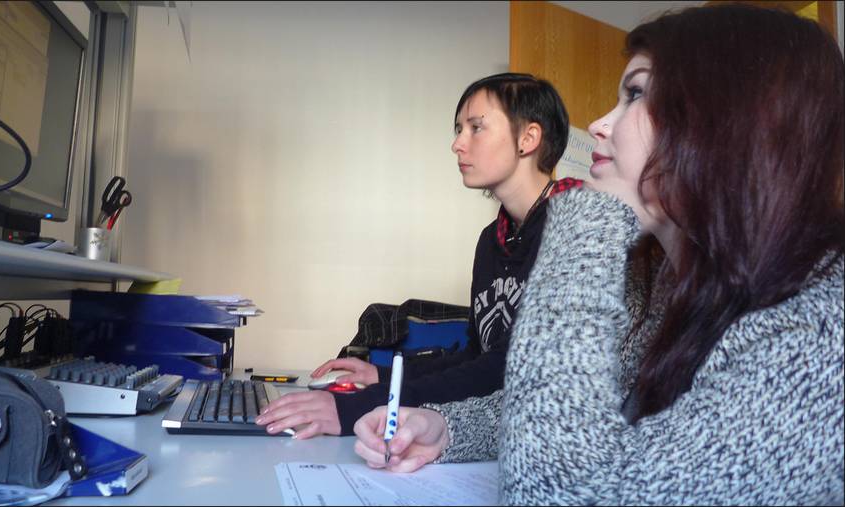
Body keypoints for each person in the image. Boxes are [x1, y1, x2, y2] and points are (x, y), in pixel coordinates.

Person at [352, 4, 845, 504]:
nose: (598, 124)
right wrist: (447, 427)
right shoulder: (663, 284)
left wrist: (586, 217)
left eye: (636, 94)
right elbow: (561, 411)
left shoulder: (817, 338)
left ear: (727, 123)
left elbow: (555, 489)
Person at [256, 73, 583, 439]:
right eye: (458, 130)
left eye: (476, 128)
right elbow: (478, 356)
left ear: (528, 138)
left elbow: (505, 368)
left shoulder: (576, 233)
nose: (457, 144)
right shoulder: (492, 240)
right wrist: (381, 375)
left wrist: (362, 406)